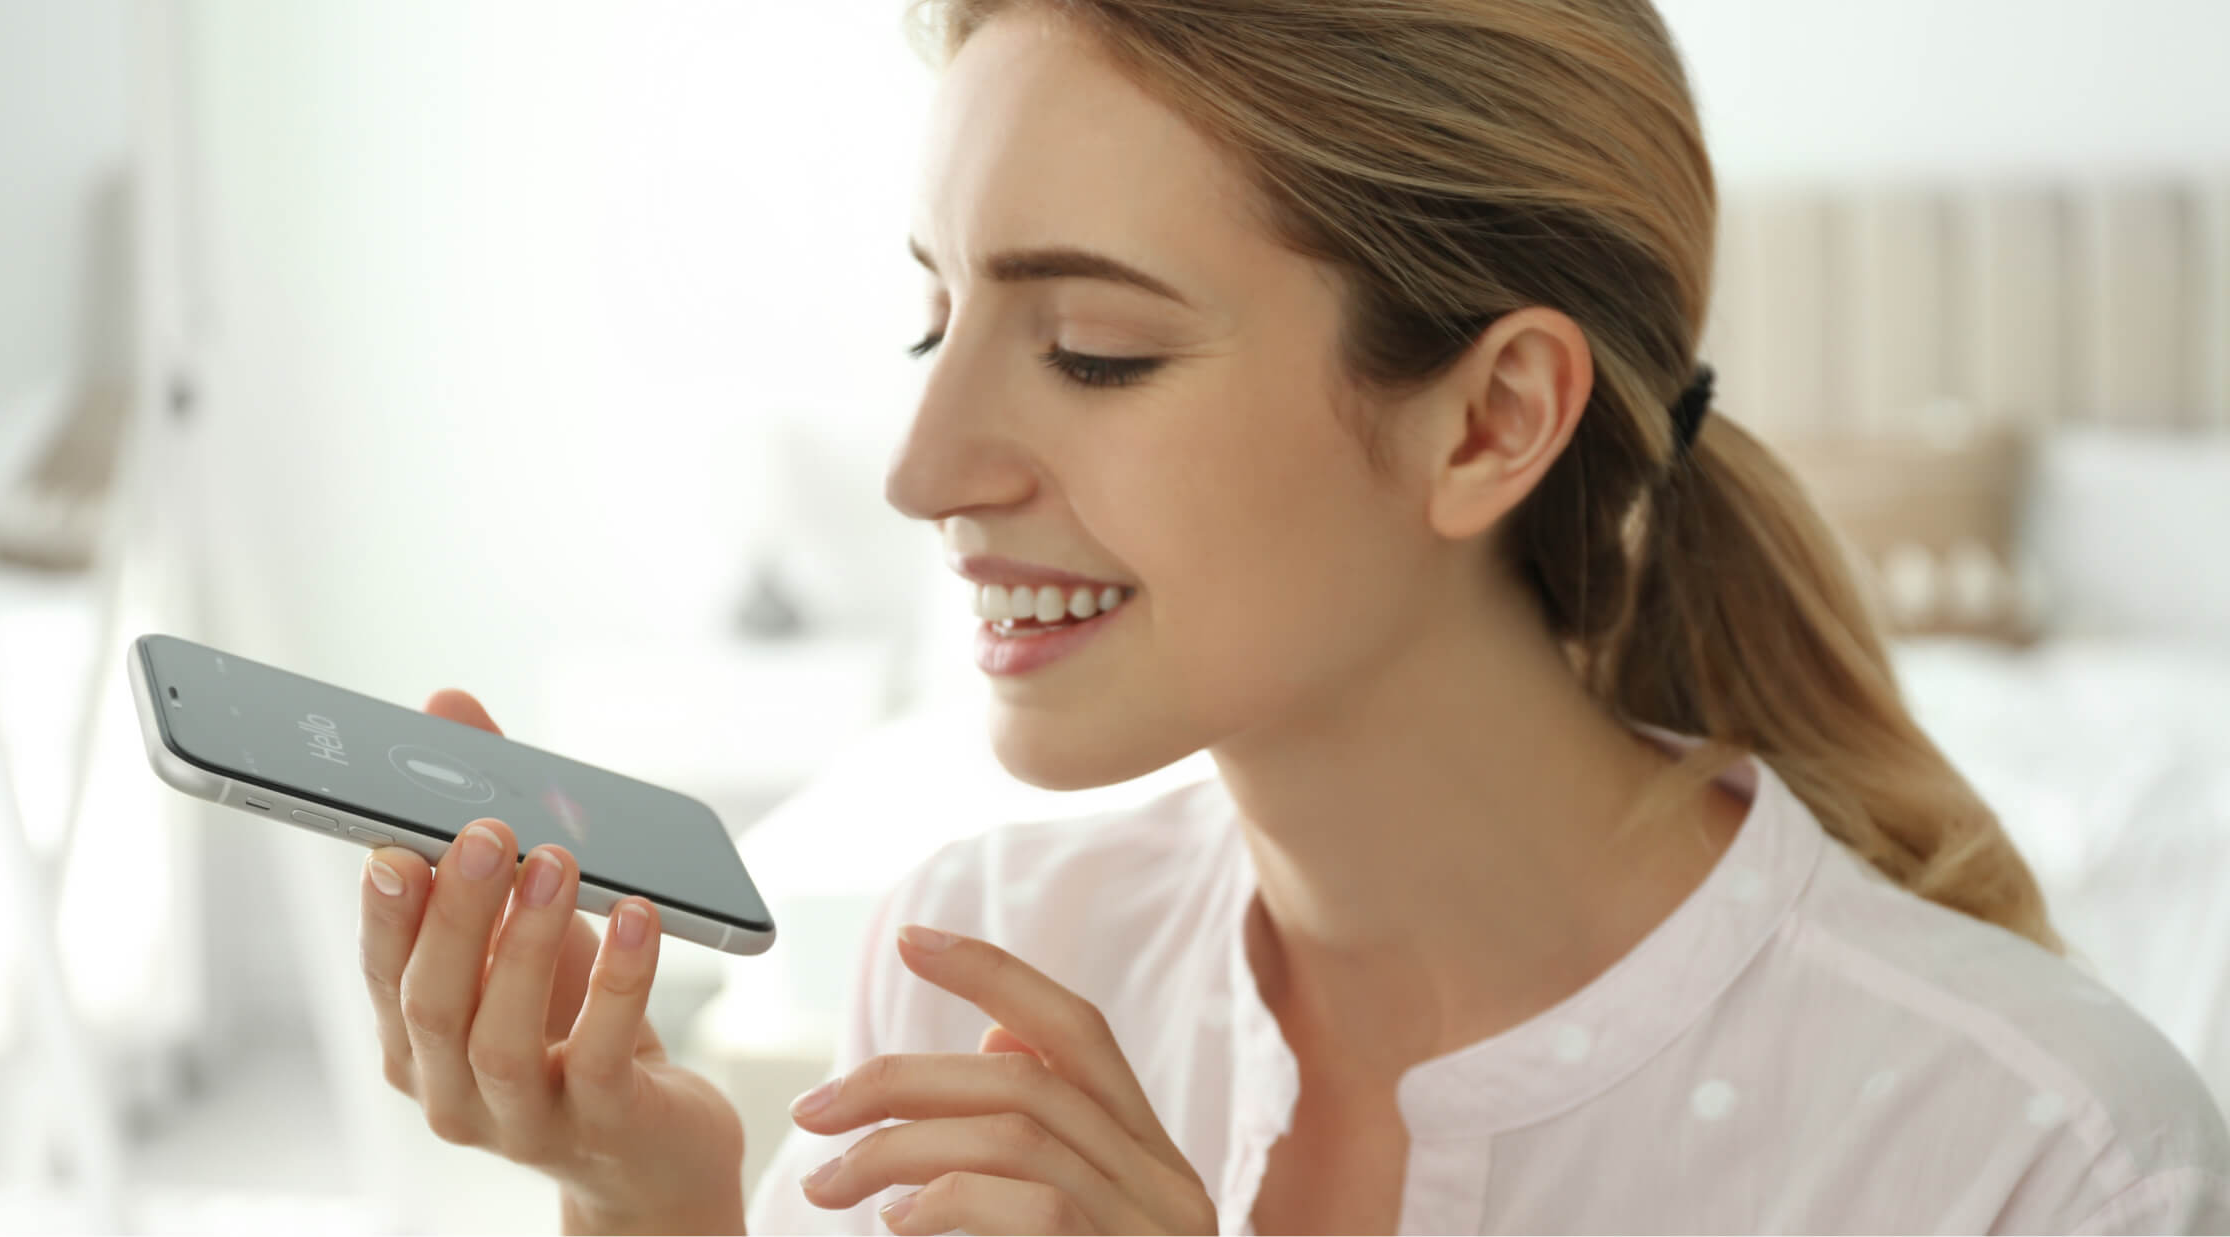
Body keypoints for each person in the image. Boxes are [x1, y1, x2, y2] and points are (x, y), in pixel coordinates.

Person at [353, 1, 2230, 1232]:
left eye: (1092, 350)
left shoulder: (2039, 1158)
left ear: (1491, 419)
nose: (923, 467)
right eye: (938, 316)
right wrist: (648, 1211)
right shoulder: (986, 949)